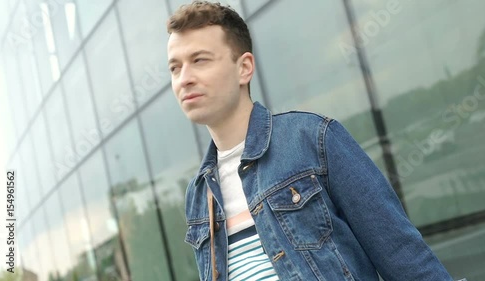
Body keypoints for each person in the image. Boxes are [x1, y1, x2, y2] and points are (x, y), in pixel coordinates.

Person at [166, 1, 457, 280]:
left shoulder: (312, 139)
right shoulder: (198, 194)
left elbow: (402, 255)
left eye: (199, 60)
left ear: (244, 68)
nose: (184, 78)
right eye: (175, 68)